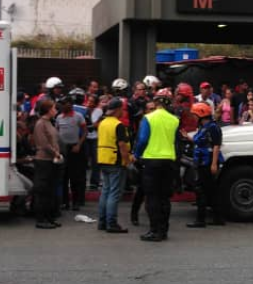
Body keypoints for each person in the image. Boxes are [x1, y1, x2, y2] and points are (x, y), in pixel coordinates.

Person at [133, 89, 180, 242]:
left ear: (157, 101)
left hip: (152, 160)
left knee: (152, 197)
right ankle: (164, 230)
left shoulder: (148, 118)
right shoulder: (174, 120)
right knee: (164, 198)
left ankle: (154, 230)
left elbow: (142, 140)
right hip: (169, 161)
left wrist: (136, 154)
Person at [96, 98, 132, 234]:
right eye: (122, 109)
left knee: (105, 191)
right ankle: (111, 223)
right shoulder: (118, 125)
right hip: (115, 161)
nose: (123, 111)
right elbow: (122, 146)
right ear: (117, 110)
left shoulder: (103, 123)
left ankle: (102, 222)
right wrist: (127, 162)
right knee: (114, 193)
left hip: (103, 159)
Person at [187, 103, 225, 228]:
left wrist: (213, 164)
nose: (193, 117)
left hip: (207, 162)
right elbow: (200, 141)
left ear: (201, 114)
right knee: (209, 190)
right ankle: (217, 218)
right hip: (202, 161)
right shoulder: (203, 127)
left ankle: (200, 220)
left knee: (202, 190)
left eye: (194, 115)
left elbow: (216, 145)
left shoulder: (212, 127)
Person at [31, 98, 62, 229]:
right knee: (42, 191)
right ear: (48, 110)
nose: (55, 110)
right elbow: (44, 144)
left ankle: (49, 218)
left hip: (51, 160)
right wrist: (55, 152)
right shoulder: (40, 123)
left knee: (50, 191)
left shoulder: (49, 122)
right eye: (54, 108)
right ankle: (41, 219)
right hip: (43, 160)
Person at [55, 95, 88, 211]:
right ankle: (65, 202)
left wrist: (79, 144)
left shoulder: (78, 116)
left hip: (75, 148)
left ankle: (76, 202)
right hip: (63, 149)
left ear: (70, 104)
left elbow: (85, 131)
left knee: (75, 177)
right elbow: (56, 132)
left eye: (65, 104)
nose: (63, 106)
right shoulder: (59, 117)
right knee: (63, 176)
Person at [87, 95, 109, 191]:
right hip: (86, 137)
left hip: (96, 137)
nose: (89, 103)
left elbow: (98, 125)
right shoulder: (85, 110)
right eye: (88, 101)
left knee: (96, 161)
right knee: (86, 160)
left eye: (91, 101)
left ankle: (94, 182)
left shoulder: (99, 111)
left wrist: (92, 125)